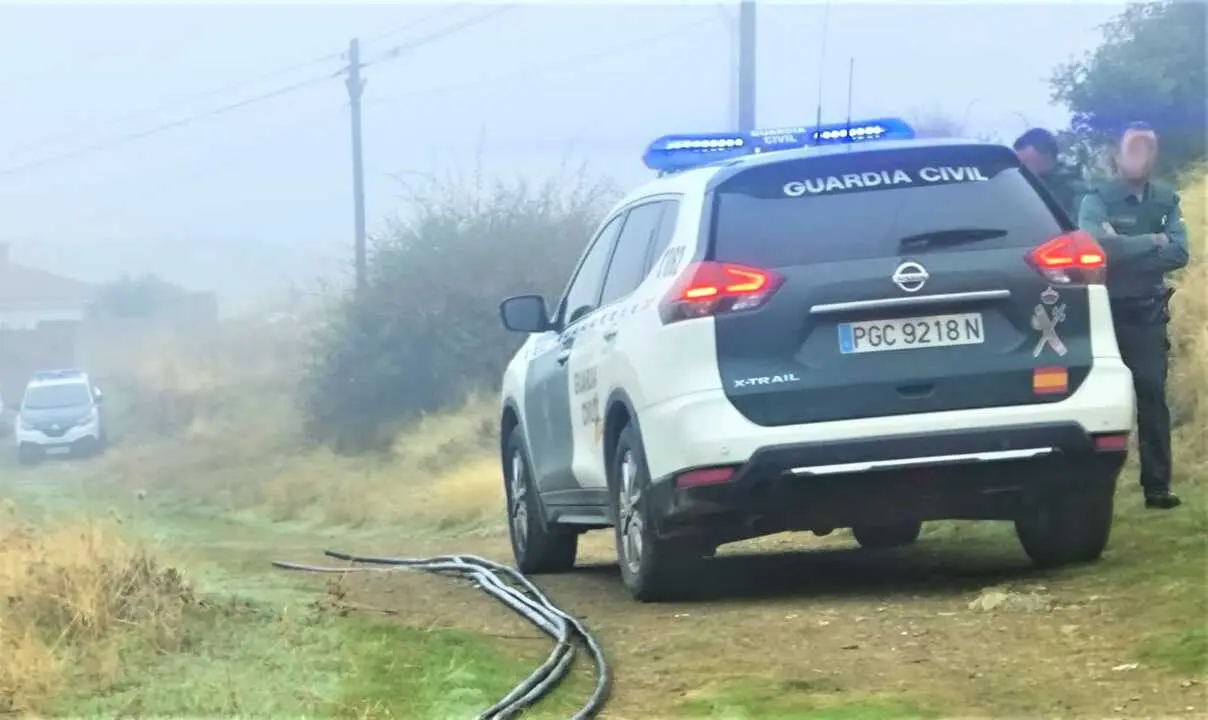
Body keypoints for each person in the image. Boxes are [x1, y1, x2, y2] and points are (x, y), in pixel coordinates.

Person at [1079, 121, 1189, 510]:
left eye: (1146, 147)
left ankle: (1157, 486)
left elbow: (1180, 253)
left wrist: (1122, 245)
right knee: (1094, 399)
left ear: (1153, 155)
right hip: (1102, 313)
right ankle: (1091, 494)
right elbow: (1094, 245)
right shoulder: (1097, 197)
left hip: (1146, 311)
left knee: (1152, 396)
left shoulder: (1165, 199)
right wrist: (1151, 241)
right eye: (1132, 147)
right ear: (1118, 153)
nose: (1138, 154)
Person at [1013, 127, 1085, 218]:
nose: (1022, 167)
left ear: (1046, 152)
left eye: (1025, 162)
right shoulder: (1028, 189)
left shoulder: (1074, 188)